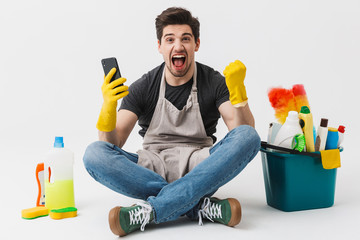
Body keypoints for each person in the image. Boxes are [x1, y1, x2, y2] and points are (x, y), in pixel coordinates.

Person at [83, 7, 260, 237]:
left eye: (185, 39)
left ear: (196, 44)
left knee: (250, 136)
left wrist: (239, 96)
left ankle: (152, 211)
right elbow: (111, 143)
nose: (178, 46)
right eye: (170, 39)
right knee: (93, 154)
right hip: (151, 168)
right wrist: (108, 107)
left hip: (200, 166)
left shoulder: (213, 81)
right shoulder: (144, 86)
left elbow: (241, 131)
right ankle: (197, 206)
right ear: (160, 46)